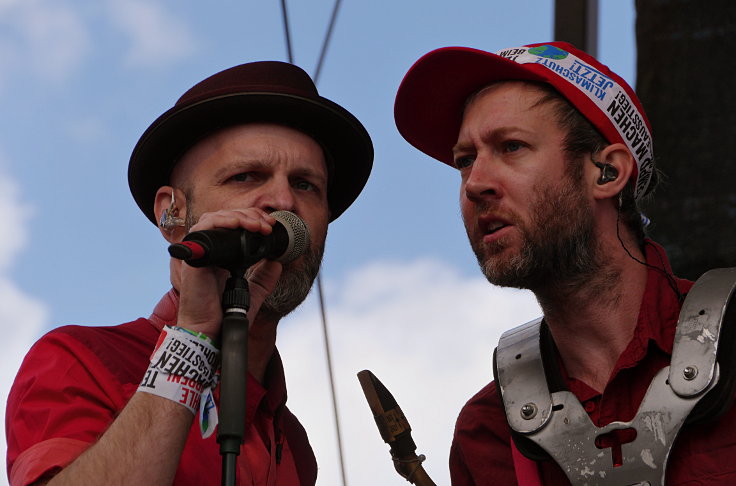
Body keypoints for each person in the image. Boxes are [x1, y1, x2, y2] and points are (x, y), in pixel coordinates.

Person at [7, 61, 373, 486]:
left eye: (307, 185)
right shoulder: (79, 360)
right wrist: (192, 338)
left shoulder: (292, 442)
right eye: (245, 176)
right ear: (172, 213)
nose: (282, 200)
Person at [394, 42, 736, 484]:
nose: (475, 183)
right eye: (465, 161)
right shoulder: (489, 432)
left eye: (511, 147)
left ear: (608, 173)